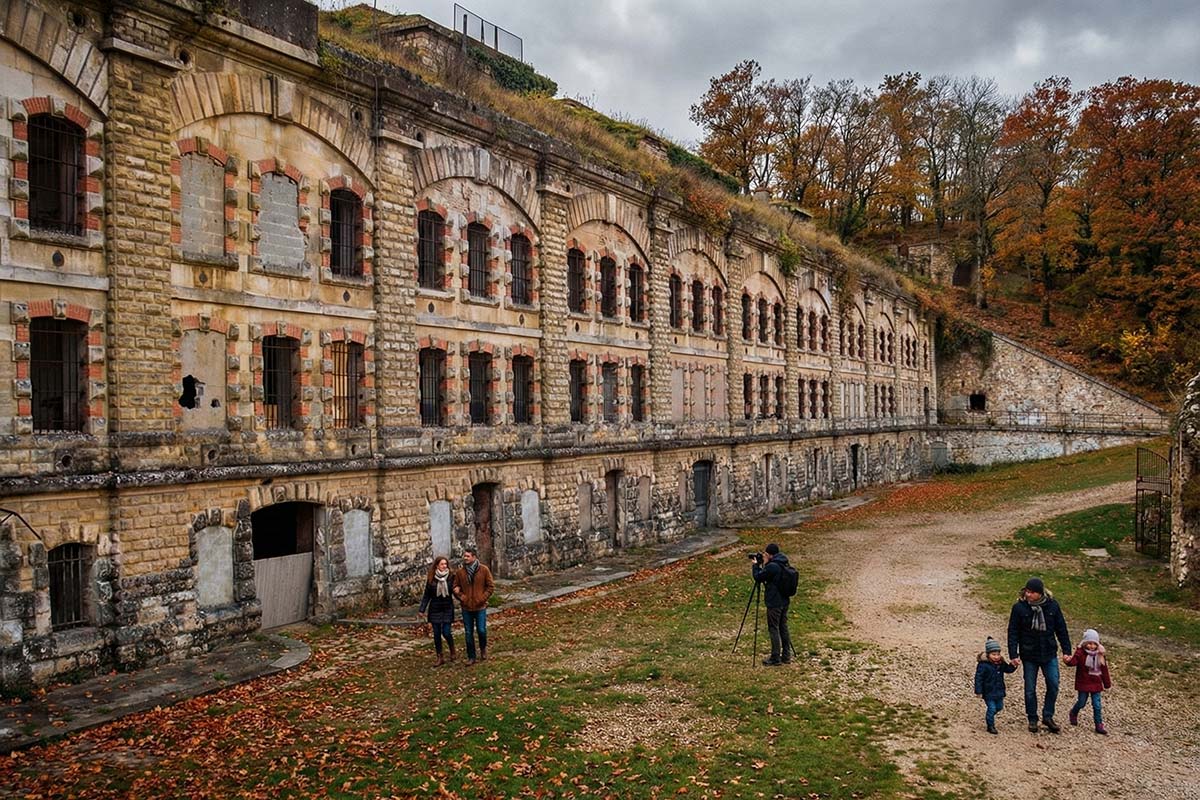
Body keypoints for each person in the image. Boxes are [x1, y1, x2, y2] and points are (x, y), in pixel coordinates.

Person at [1007, 577, 1071, 733]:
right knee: (1030, 689)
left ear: (1040, 593)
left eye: (1032, 592)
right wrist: (1013, 653)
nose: (1028, 595)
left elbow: (1061, 629)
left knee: (1053, 684)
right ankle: (1032, 718)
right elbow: (1013, 632)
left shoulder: (1053, 606)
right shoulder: (1019, 608)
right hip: (1029, 654)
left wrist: (1067, 650)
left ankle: (1048, 716)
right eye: (1027, 591)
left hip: (1048, 652)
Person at [751, 542, 792, 666]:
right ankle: (786, 655)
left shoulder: (772, 566)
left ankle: (775, 657)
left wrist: (755, 566)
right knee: (783, 627)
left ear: (769, 554)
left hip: (775, 602)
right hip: (784, 600)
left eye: (765, 554)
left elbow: (758, 577)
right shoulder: (784, 562)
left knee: (773, 628)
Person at [1065, 628, 1112, 734]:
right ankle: (1074, 712)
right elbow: (1073, 662)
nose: (1092, 646)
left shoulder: (1100, 655)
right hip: (1084, 682)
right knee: (1081, 702)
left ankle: (1098, 724)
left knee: (1097, 705)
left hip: (1096, 683)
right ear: (1085, 643)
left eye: (1094, 644)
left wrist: (1107, 683)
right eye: (1089, 643)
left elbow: (1104, 669)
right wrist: (1068, 660)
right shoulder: (1081, 653)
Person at [454, 548, 494, 666]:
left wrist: (482, 599)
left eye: (468, 556)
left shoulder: (484, 570)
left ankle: (483, 648)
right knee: (468, 633)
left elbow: (490, 587)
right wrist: (461, 597)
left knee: (481, 630)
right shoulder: (460, 572)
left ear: (474, 557)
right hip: (466, 608)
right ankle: (471, 656)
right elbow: (455, 587)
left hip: (480, 607)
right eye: (464, 556)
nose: (465, 558)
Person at [418, 556, 457, 666]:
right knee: (436, 634)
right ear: (437, 566)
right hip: (435, 608)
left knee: (446, 632)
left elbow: (456, 590)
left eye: (445, 564)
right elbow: (427, 595)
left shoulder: (451, 577)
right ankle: (440, 656)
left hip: (447, 608)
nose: (444, 566)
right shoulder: (431, 578)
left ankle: (452, 648)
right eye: (442, 564)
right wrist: (422, 609)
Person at [974, 636, 1018, 734]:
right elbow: (978, 678)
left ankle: (990, 716)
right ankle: (990, 725)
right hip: (988, 691)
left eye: (998, 654)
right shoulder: (983, 665)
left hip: (999, 690)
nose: (996, 656)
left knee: (999, 707)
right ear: (988, 654)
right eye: (994, 654)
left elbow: (1008, 670)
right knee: (992, 708)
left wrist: (1013, 665)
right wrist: (978, 691)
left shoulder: (1000, 663)